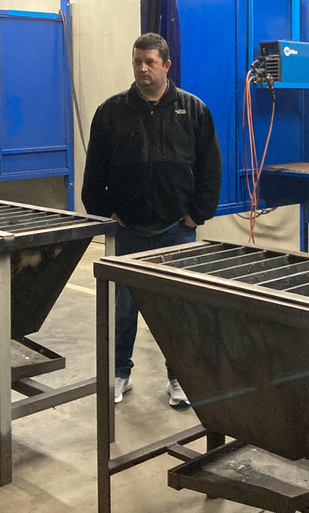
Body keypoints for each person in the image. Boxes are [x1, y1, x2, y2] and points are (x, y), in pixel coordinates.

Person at [82, 32, 222, 408]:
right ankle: (119, 373)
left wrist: (197, 214)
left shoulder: (194, 111)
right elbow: (95, 169)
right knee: (122, 306)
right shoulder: (111, 111)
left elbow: (210, 168)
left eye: (150, 62)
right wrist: (103, 211)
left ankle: (180, 377)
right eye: (137, 62)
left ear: (166, 66)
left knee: (177, 308)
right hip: (127, 230)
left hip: (177, 229)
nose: (143, 69)